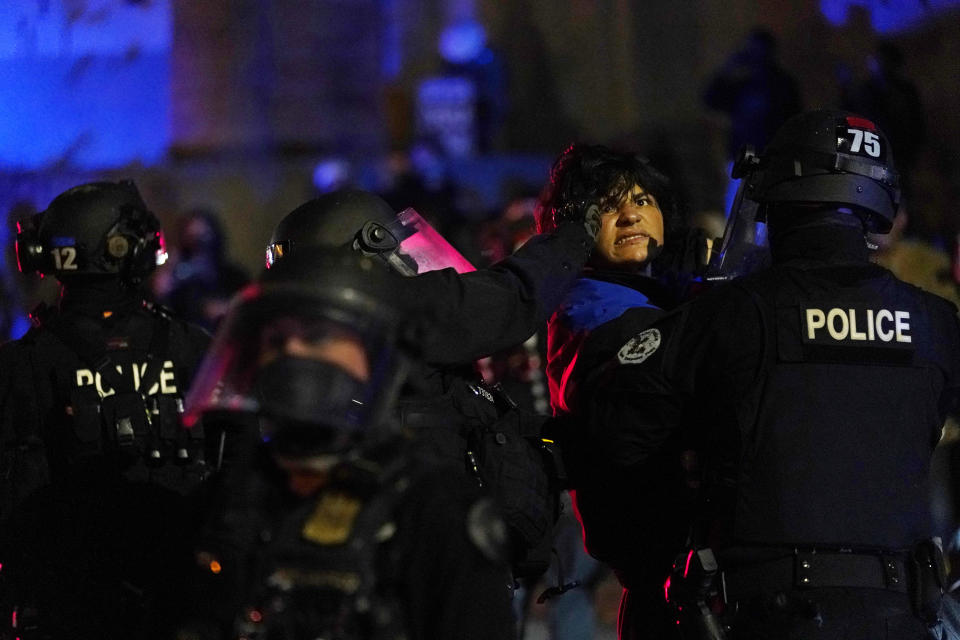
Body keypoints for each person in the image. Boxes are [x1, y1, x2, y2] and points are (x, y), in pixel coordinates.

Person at [572, 110, 960, 639]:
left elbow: (615, 429)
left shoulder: (725, 314)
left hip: (764, 615)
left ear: (774, 197)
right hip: (901, 616)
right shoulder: (936, 322)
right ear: (880, 203)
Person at [176, 249, 516, 639]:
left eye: (317, 335)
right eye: (276, 338)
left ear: (376, 354)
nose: (291, 353)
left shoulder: (434, 509)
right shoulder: (227, 501)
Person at [265, 188, 598, 581]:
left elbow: (458, 408)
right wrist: (577, 234)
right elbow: (510, 300)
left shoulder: (319, 337)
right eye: (394, 249)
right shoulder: (393, 308)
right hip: (440, 551)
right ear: (361, 252)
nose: (408, 260)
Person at [0, 181, 212, 639]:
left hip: (63, 608)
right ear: (128, 249)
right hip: (179, 601)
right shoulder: (195, 348)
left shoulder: (21, 364)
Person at [527, 143, 682, 639]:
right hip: (665, 567)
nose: (631, 213)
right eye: (608, 206)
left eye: (644, 199)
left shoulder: (645, 299)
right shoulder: (597, 308)